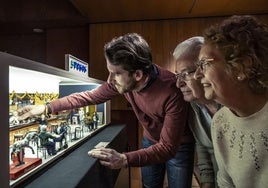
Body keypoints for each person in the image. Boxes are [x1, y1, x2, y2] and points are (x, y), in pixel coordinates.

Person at [17, 33, 195, 188]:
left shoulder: (172, 89)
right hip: (150, 139)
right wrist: (46, 107)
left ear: (138, 75)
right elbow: (88, 97)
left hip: (178, 145)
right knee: (149, 185)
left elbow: (168, 147)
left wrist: (124, 159)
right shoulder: (123, 81)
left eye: (115, 73)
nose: (110, 79)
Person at [194, 15, 268, 188]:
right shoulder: (220, 121)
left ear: (242, 66)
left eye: (204, 63)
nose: (197, 74)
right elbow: (226, 182)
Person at [172, 36, 221, 188]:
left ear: (204, 70)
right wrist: (206, 182)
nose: (178, 83)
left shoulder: (234, 105)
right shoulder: (192, 107)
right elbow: (202, 147)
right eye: (177, 75)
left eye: (185, 74)